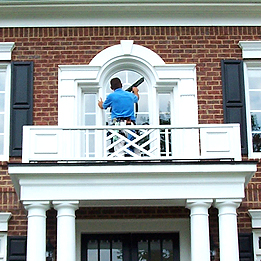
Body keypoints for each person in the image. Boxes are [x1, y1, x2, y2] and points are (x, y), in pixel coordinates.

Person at [98, 77, 139, 156]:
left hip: (118, 125)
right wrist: (136, 91)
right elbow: (136, 98)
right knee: (134, 146)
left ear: (111, 87)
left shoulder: (111, 96)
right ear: (121, 85)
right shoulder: (130, 95)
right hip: (130, 124)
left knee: (119, 149)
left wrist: (100, 103)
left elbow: (103, 106)